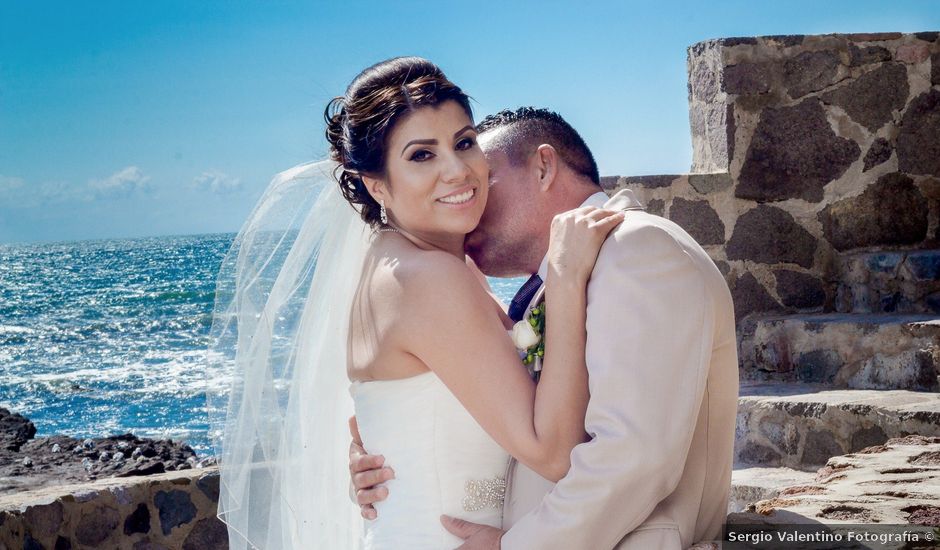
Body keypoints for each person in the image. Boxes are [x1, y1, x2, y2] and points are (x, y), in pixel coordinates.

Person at [211, 58, 624, 550]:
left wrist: (382, 456)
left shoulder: (398, 266)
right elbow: (553, 453)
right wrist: (566, 277)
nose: (457, 171)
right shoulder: (425, 278)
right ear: (376, 184)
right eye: (422, 156)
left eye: (464, 142)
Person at [350, 107, 740, 549]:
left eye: (483, 178)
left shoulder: (636, 248)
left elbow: (632, 456)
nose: (468, 194)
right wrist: (396, 459)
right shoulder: (564, 273)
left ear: (542, 167)